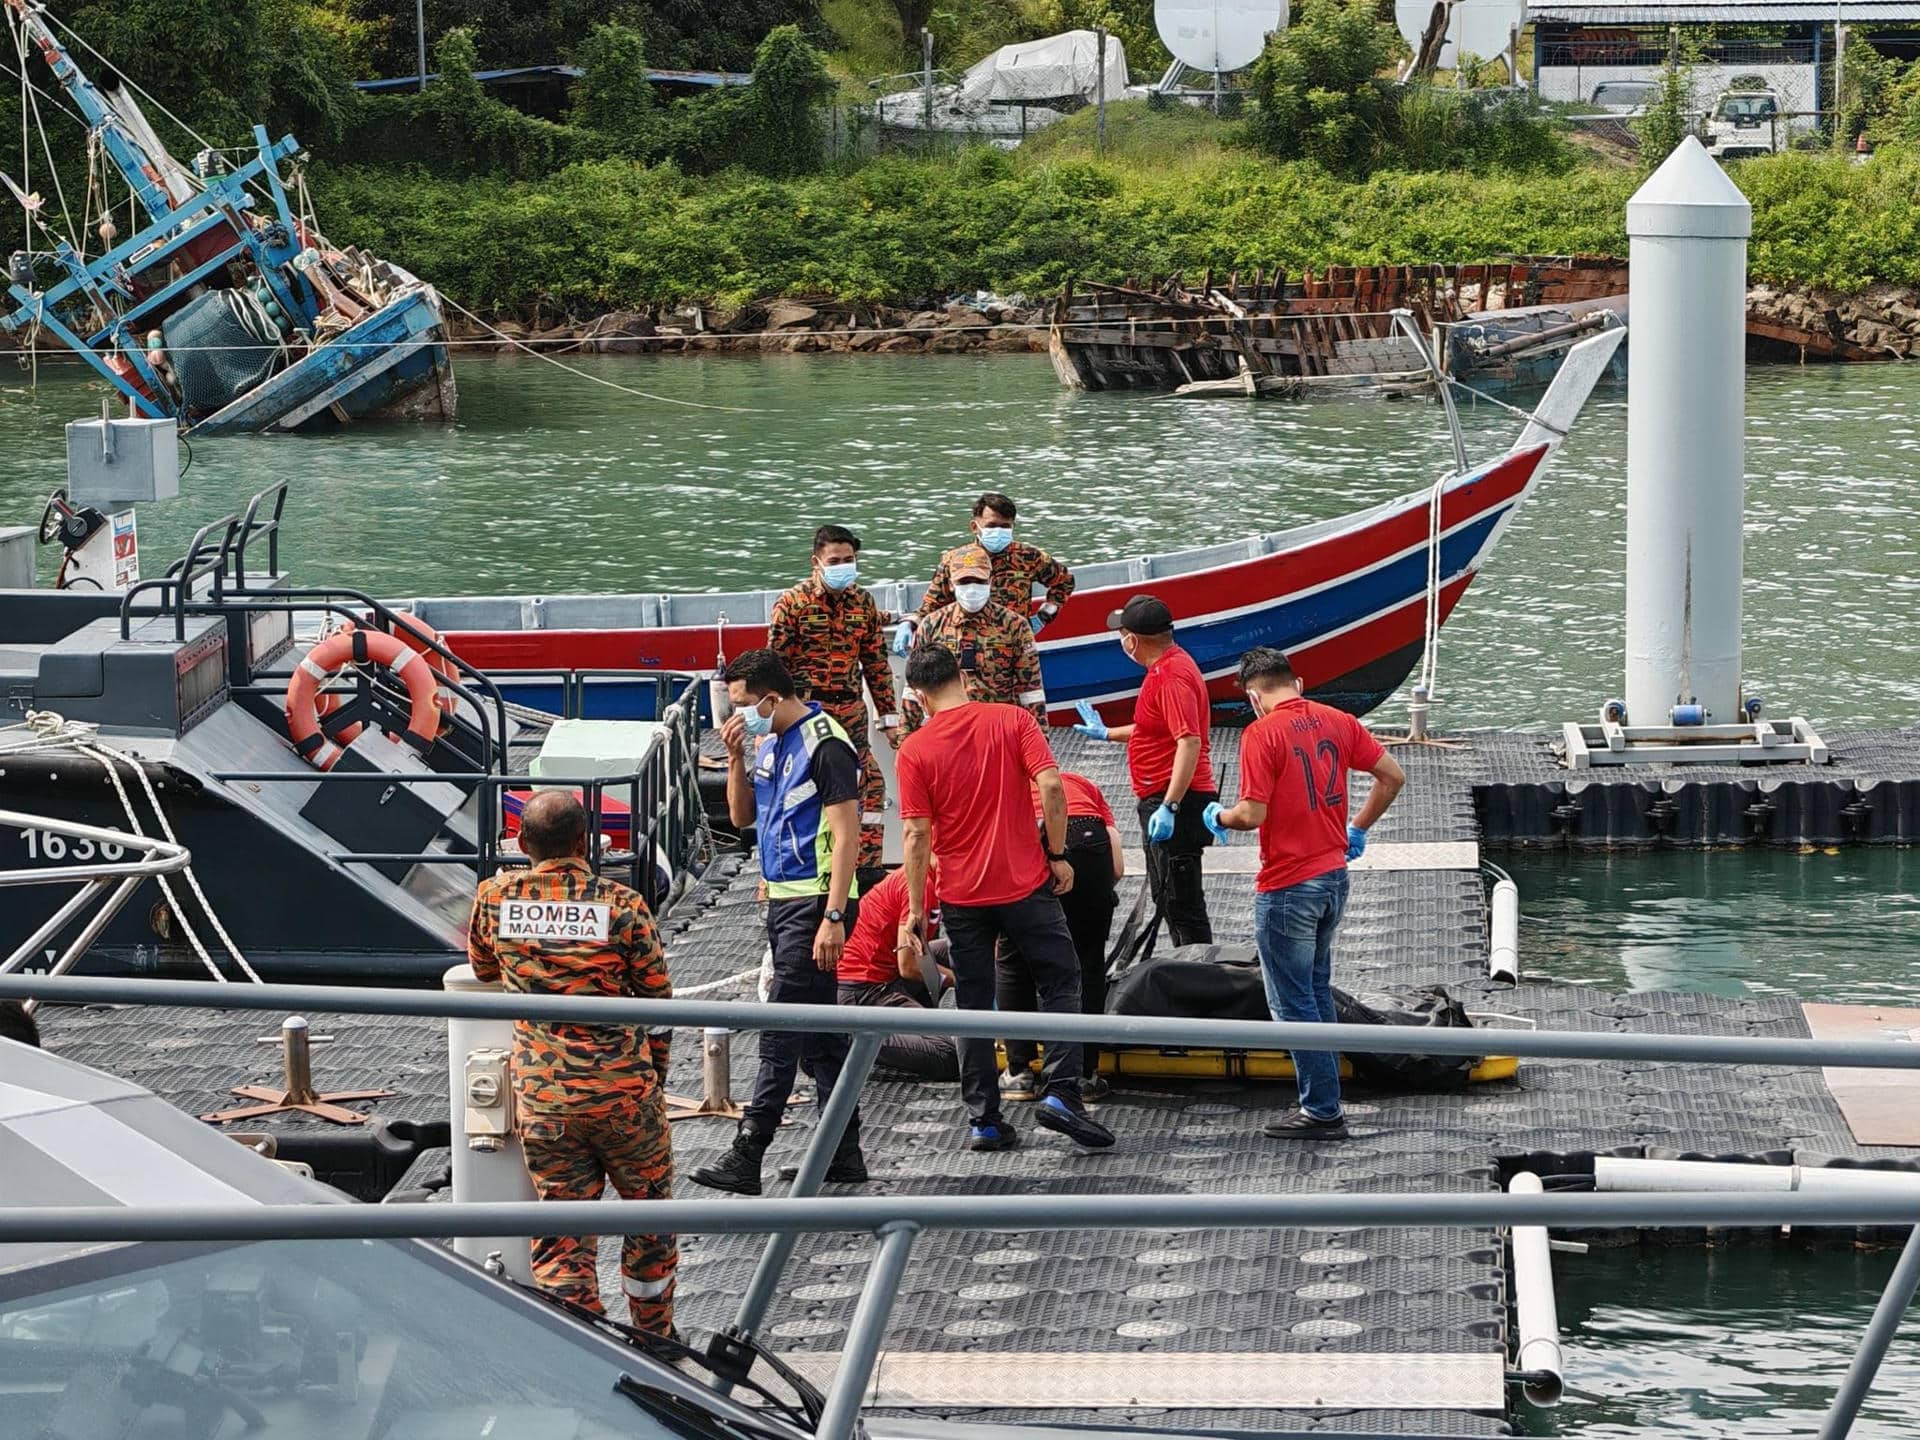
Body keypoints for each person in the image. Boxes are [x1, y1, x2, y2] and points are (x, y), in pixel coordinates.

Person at [467, 789, 676, 1333]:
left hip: (544, 1099)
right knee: (650, 1218)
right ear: (587, 842)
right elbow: (657, 1002)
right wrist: (653, 1076)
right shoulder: (623, 906)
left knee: (562, 1229)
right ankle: (655, 1339)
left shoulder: (494, 899)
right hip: (626, 1097)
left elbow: (484, 970)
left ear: (520, 842)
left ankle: (581, 1341)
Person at [895, 642, 1115, 1152]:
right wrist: (1057, 854)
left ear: (919, 698)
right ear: (964, 681)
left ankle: (985, 1120)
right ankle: (1062, 1091)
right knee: (1062, 979)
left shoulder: (915, 750)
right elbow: (1052, 788)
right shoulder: (1012, 720)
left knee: (974, 1004)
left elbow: (915, 836)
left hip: (962, 896)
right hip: (1025, 884)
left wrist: (913, 910)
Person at [1203, 646, 1406, 1140]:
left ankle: (1321, 1109)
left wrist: (1217, 816)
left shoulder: (1260, 733)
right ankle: (1324, 1098)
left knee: (1292, 1004)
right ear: (1297, 683)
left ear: (1253, 696)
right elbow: (1392, 776)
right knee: (1314, 992)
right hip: (1334, 876)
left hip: (1288, 884)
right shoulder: (1337, 720)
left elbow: (1252, 815)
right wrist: (1357, 828)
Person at [692, 647, 867, 1195]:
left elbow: (847, 835)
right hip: (782, 899)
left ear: (772, 697)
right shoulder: (769, 744)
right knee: (820, 1037)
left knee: (781, 1030)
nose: (737, 714)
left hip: (816, 902)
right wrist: (739, 758)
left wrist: (834, 916)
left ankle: (749, 1152)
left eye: (744, 704)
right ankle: (843, 1153)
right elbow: (743, 818)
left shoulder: (825, 743)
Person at [1073, 594, 1219, 946]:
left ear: (1133, 640)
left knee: (1180, 902)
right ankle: (1191, 971)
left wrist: (1170, 805)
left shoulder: (1171, 676)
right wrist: (1107, 733)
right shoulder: (1165, 668)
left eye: (1122, 634)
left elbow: (1189, 741)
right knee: (1167, 897)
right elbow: (1155, 729)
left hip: (1176, 801)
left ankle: (1201, 978)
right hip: (1163, 796)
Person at [767, 524, 902, 884]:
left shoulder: (863, 603)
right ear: (817, 562)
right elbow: (775, 667)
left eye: (850, 560)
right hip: (807, 714)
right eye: (835, 561)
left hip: (851, 712)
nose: (843, 566)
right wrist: (769, 722)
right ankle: (798, 868)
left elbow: (875, 663)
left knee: (870, 784)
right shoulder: (792, 604)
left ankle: (866, 867)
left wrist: (889, 719)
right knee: (804, 790)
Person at [999, 769, 1125, 1103]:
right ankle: (1085, 1074)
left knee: (1014, 959)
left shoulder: (1004, 782)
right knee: (1088, 962)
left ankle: (1019, 1071)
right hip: (1089, 838)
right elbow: (1117, 866)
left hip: (1029, 834)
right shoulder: (1084, 784)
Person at [897, 491, 1075, 649]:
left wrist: (1045, 615)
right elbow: (933, 604)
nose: (999, 531)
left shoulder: (1029, 557)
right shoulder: (955, 561)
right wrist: (910, 623)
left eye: (1005, 526)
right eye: (992, 526)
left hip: (1014, 644)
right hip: (965, 646)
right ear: (975, 527)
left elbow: (1064, 582)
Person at [837, 863, 960, 1081]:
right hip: (864, 989)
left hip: (886, 970)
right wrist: (964, 982)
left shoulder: (928, 878)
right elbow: (909, 966)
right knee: (948, 1056)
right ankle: (836, 1037)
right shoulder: (920, 887)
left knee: (954, 951)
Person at [904, 544, 1046, 731]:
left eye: (979, 581)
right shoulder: (931, 625)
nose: (972, 588)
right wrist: (904, 737)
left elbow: (1030, 690)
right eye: (964, 582)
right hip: (949, 731)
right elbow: (915, 687)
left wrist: (1039, 741)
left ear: (991, 581)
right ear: (951, 584)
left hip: (998, 729)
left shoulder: (1014, 626)